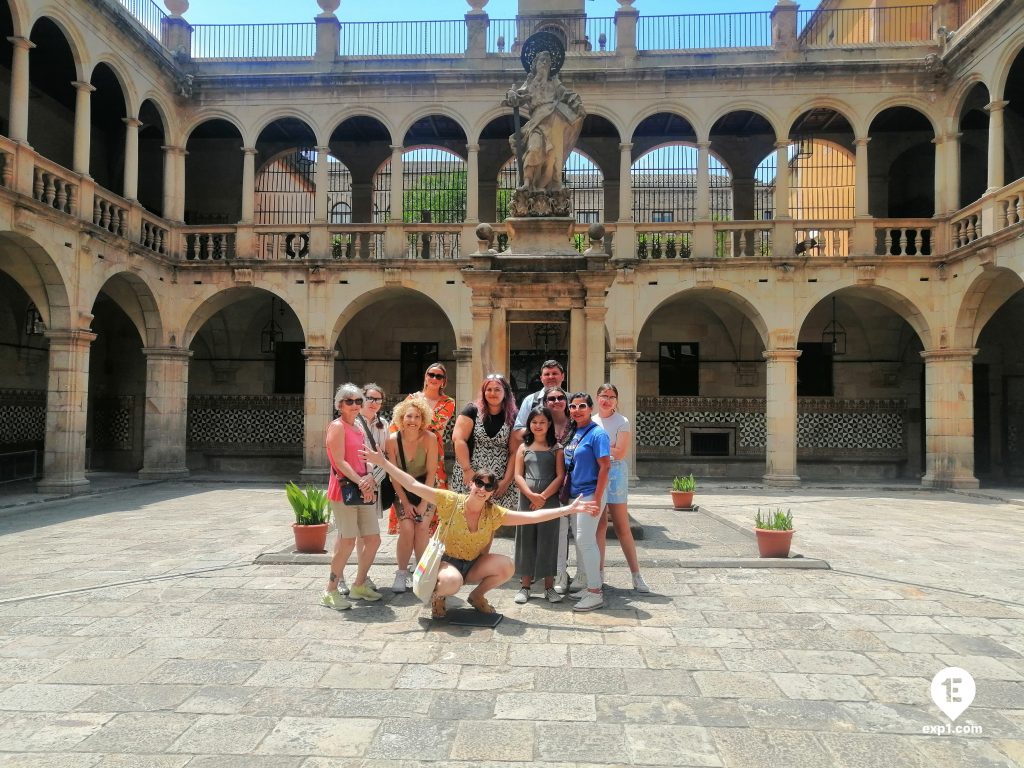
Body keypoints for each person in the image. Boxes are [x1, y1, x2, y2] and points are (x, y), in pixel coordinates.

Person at [360, 445, 600, 619]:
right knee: (451, 582)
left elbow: (533, 516)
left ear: (492, 491)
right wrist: (383, 463)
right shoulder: (450, 501)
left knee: (506, 566)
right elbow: (414, 484)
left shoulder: (494, 513)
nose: (483, 489)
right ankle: (439, 596)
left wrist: (569, 509)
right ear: (471, 484)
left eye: (489, 486)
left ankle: (477, 596)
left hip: (473, 564)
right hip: (445, 563)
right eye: (479, 483)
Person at [321, 383, 383, 610]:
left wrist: (369, 480)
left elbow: (364, 458)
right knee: (347, 541)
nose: (356, 405)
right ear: (339, 405)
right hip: (345, 490)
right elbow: (339, 461)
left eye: (359, 401)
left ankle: (359, 584)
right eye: (350, 401)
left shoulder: (358, 426)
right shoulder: (337, 427)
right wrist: (361, 482)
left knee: (373, 539)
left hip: (362, 487)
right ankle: (330, 590)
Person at [504, 44, 585, 194]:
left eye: (547, 61)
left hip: (554, 121)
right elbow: (517, 95)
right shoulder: (530, 83)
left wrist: (576, 104)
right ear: (535, 64)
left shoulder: (554, 82)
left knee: (551, 161)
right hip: (537, 123)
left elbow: (566, 94)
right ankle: (527, 183)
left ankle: (545, 190)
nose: (544, 63)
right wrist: (512, 94)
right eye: (542, 60)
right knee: (533, 149)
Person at [387, 363, 456, 538]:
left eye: (439, 376)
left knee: (432, 493)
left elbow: (434, 425)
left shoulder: (448, 402)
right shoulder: (412, 397)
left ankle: (427, 546)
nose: (434, 378)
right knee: (406, 489)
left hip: (433, 452)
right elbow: (397, 423)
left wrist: (413, 419)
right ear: (425, 377)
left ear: (444, 382)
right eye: (431, 374)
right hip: (408, 451)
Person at [593, 383, 649, 593]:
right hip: (596, 472)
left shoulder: (621, 421)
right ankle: (598, 573)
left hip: (615, 473)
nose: (607, 400)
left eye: (611, 396)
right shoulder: (591, 420)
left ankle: (636, 575)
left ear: (616, 400)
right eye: (603, 396)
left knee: (621, 525)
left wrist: (597, 445)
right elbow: (609, 449)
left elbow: (621, 452)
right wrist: (607, 447)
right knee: (598, 526)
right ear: (597, 398)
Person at [512, 405, 566, 603]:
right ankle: (525, 586)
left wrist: (542, 496)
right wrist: (531, 495)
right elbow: (518, 475)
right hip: (526, 501)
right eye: (534, 422)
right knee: (526, 540)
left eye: (542, 422)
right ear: (529, 424)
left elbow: (560, 475)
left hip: (549, 501)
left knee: (548, 541)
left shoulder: (556, 448)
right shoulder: (523, 447)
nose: (538, 425)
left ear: (549, 424)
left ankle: (549, 587)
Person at [563, 392, 610, 612]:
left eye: (582, 406)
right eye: (573, 407)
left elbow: (605, 467)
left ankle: (595, 593)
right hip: (575, 494)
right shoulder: (575, 432)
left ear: (590, 408)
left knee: (585, 540)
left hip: (590, 493)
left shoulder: (598, 434)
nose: (577, 410)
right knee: (581, 541)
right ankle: (591, 584)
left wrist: (598, 499)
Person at [386, 397, 438, 594]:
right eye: (409, 416)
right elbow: (393, 475)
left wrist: (424, 503)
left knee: (422, 527)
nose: (413, 420)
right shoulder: (392, 440)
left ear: (423, 419)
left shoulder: (429, 439)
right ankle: (401, 573)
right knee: (407, 527)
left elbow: (432, 473)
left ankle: (421, 573)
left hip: (425, 488)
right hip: (402, 490)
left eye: (417, 416)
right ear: (401, 417)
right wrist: (405, 502)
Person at [450, 374, 519, 509]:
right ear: (483, 392)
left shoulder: (513, 415)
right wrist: (467, 470)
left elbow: (514, 451)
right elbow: (459, 439)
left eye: (497, 389)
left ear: (505, 392)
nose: (492, 393)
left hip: (497, 480)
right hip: (470, 473)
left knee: (493, 521)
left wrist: (506, 481)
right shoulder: (471, 410)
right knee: (467, 516)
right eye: (489, 389)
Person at [347, 382, 389, 595]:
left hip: (374, 485)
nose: (374, 403)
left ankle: (362, 577)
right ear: (362, 399)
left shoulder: (385, 425)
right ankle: (345, 578)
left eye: (378, 399)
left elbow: (385, 457)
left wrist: (374, 480)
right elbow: (351, 455)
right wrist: (364, 481)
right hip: (354, 482)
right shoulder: (353, 422)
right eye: (370, 398)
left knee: (367, 534)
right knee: (349, 534)